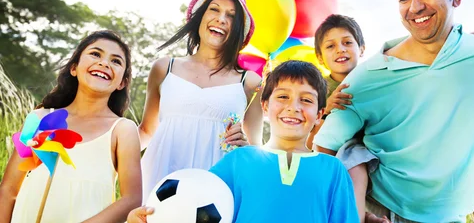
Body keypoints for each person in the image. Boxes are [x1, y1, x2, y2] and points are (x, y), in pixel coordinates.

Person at [314, 0, 474, 223]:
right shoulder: (365, 78)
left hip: (450, 214)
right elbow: (324, 150)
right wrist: (356, 214)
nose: (415, 7)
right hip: (387, 211)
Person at [127, 60, 359, 223]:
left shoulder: (333, 170)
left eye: (306, 100)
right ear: (265, 106)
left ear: (319, 114)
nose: (293, 107)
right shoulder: (238, 161)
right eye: (283, 96)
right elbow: (192, 207)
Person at [0, 30, 142, 223]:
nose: (104, 63)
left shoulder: (123, 130)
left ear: (122, 83)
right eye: (96, 54)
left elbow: (132, 199)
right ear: (74, 68)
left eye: (116, 61)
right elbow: (9, 190)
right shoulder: (40, 119)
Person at [139, 0, 263, 201]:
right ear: (200, 18)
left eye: (231, 16)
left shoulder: (251, 82)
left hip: (216, 188)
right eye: (214, 10)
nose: (221, 19)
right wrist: (107, 153)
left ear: (237, 30)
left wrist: (246, 145)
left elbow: (256, 149)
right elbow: (147, 131)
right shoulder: (164, 68)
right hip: (159, 180)